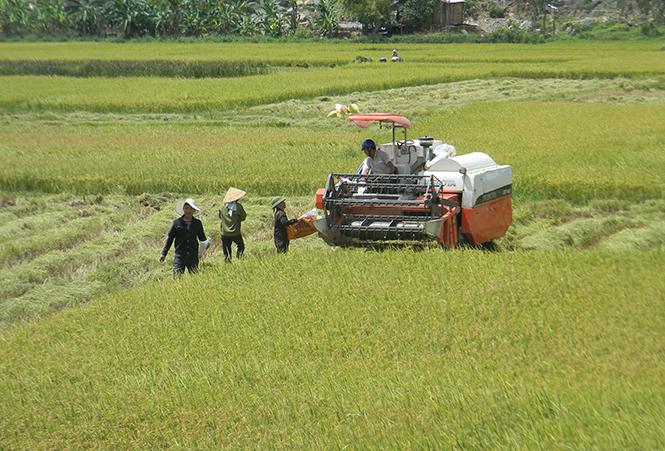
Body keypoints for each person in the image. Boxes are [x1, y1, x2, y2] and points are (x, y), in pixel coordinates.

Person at [160, 198, 207, 279]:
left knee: (194, 278)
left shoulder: (197, 224)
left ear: (194, 211)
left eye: (191, 209)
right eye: (186, 208)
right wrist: (164, 253)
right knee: (177, 278)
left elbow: (202, 238)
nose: (188, 211)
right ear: (183, 209)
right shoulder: (176, 223)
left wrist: (206, 244)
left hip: (193, 256)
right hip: (180, 256)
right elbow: (170, 238)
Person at [219, 187, 247, 262]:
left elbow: (220, 217)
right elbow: (243, 217)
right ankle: (239, 258)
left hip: (224, 233)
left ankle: (227, 262)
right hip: (235, 232)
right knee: (241, 246)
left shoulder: (223, 207)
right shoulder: (238, 207)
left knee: (227, 250)